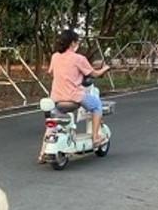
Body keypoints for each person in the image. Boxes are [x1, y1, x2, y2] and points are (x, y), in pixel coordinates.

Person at [43, 28, 109, 156]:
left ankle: (42, 153)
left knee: (52, 125)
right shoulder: (79, 58)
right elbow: (94, 74)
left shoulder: (55, 56)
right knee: (97, 105)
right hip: (73, 97)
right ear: (73, 43)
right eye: (77, 42)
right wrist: (105, 68)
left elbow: (51, 72)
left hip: (56, 98)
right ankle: (96, 137)